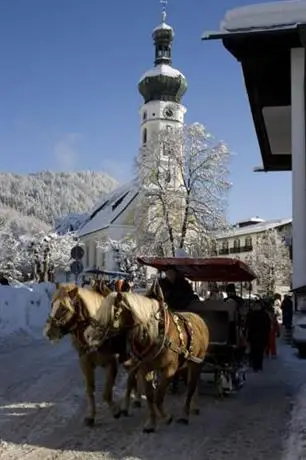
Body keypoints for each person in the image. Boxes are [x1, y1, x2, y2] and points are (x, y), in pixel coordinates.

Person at [246, 300, 271, 371]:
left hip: (257, 335)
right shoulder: (264, 314)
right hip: (258, 335)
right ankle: (257, 365)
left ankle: (257, 365)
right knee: (257, 351)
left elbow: (248, 325)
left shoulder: (252, 314)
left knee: (257, 351)